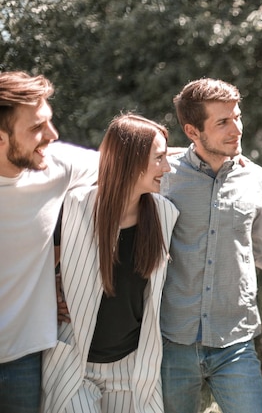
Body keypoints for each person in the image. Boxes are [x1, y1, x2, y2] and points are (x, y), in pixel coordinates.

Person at [159, 77, 262, 413]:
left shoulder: (255, 178)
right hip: (173, 340)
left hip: (235, 342)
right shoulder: (164, 176)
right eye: (223, 122)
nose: (236, 129)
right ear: (192, 131)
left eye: (237, 117)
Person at [40, 114, 178, 413]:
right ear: (131, 160)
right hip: (73, 366)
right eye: (159, 158)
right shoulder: (74, 207)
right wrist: (48, 293)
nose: (167, 168)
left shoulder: (165, 214)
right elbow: (36, 270)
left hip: (132, 368)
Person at [0, 71, 98, 413]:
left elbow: (138, 159)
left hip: (21, 359)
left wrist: (212, 156)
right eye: (36, 128)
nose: (52, 135)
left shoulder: (56, 165)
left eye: (49, 122)